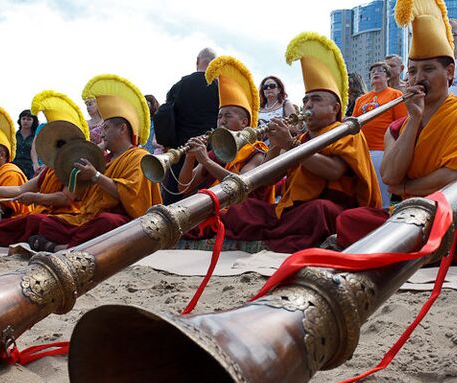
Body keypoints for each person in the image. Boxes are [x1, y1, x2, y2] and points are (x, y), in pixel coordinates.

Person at [336, 0, 457, 261]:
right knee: (350, 220)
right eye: (413, 71)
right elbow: (390, 176)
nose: (419, 78)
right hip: (411, 212)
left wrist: (407, 187)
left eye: (429, 69)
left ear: (450, 72)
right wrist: (414, 119)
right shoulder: (402, 125)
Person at [205, 33, 380, 253]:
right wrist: (277, 145)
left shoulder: (345, 132)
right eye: (305, 99)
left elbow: (334, 171)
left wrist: (290, 145)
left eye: (315, 100)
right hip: (291, 210)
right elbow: (269, 179)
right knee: (242, 208)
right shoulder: (302, 139)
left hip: (332, 206)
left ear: (335, 108)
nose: (307, 105)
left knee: (318, 210)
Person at [24, 75, 162, 252]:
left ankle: (62, 248)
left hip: (123, 218)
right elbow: (80, 197)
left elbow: (131, 195)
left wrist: (96, 176)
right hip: (89, 216)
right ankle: (70, 245)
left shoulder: (139, 157)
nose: (102, 135)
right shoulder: (103, 159)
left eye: (106, 128)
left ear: (122, 129)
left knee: (107, 222)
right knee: (46, 224)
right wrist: (77, 173)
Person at [0, 90, 91, 246]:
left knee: (38, 222)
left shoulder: (76, 167)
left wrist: (36, 197)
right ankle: (39, 242)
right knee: (0, 227)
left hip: (67, 216)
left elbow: (65, 198)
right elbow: (19, 190)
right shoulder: (50, 169)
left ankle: (44, 243)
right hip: (45, 214)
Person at [177, 55, 269, 201]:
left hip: (242, 216)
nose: (222, 121)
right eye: (219, 116)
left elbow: (242, 186)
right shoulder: (216, 154)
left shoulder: (256, 151)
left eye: (228, 116)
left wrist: (206, 161)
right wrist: (190, 158)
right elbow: (184, 188)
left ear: (244, 122)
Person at [154, 47, 220, 204]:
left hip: (180, 150)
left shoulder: (181, 85)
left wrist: (167, 142)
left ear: (197, 61)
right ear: (216, 66)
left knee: (174, 200)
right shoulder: (220, 88)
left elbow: (164, 114)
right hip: (210, 153)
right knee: (204, 200)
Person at [352, 61, 408, 206]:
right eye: (373, 71)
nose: (376, 73)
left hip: (382, 151)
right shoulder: (361, 100)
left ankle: (381, 220)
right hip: (362, 151)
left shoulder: (396, 95)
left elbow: (401, 125)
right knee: (362, 191)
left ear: (388, 77)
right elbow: (354, 126)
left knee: (381, 194)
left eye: (380, 71)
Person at [13, 109, 38, 178]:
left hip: (30, 169)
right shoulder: (14, 135)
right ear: (20, 120)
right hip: (15, 167)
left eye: (29, 119)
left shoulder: (36, 137)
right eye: (23, 119)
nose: (25, 121)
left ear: (33, 121)